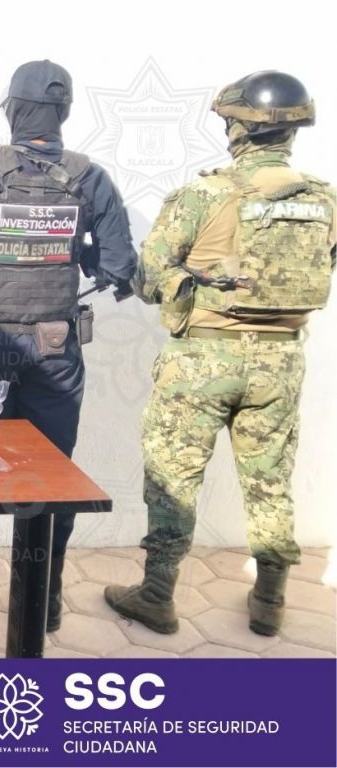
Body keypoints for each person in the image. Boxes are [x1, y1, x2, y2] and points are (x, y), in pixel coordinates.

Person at [106, 71, 334, 637]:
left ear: (237, 127)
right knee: (269, 480)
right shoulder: (325, 199)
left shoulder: (203, 195)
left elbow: (149, 279)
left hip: (201, 361)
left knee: (173, 477)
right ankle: (270, 601)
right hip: (280, 363)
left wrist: (192, 280)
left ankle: (157, 595)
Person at [0, 60, 138, 632]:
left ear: (14, 111)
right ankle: (43, 598)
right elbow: (120, 267)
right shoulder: (91, 178)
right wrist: (73, 254)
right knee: (51, 472)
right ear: (62, 112)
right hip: (55, 350)